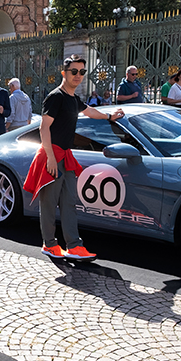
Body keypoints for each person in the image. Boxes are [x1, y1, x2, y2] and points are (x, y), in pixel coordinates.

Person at [22, 54, 124, 261]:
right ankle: (49, 244)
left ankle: (74, 246)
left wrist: (109, 116)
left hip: (65, 155)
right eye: (74, 72)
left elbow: (89, 111)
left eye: (82, 72)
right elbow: (44, 128)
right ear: (64, 73)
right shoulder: (56, 96)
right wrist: (50, 158)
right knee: (49, 203)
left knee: (69, 201)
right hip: (51, 155)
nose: (78, 76)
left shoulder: (73, 98)